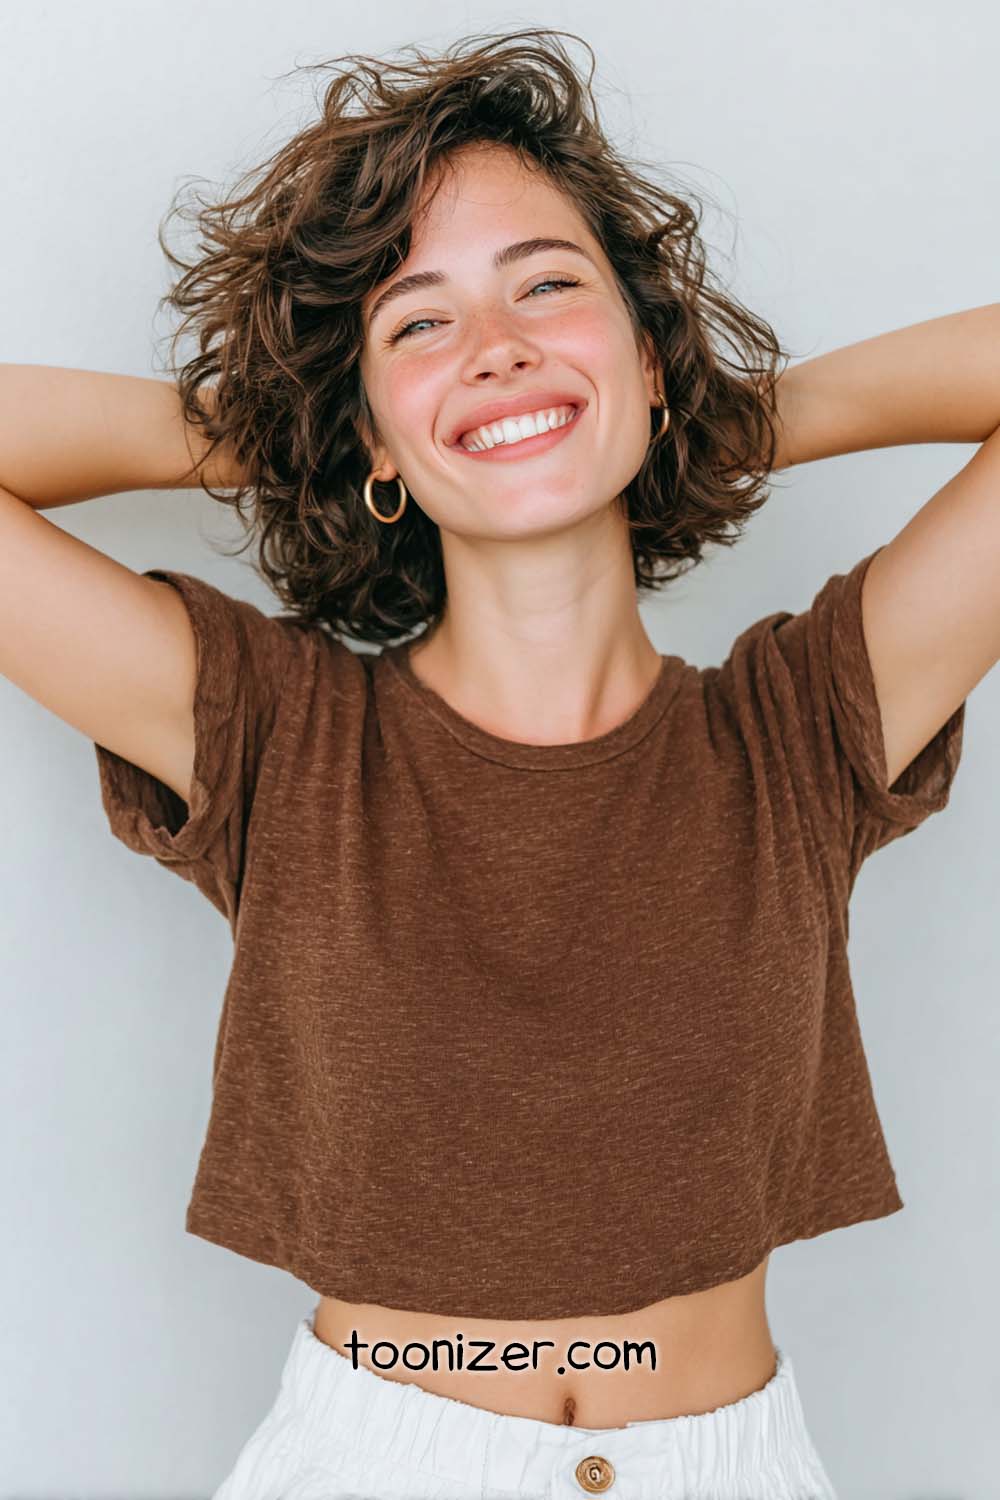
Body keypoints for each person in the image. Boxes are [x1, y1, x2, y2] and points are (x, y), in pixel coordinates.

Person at [2, 25, 993, 1500]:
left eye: (547, 287)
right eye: (418, 325)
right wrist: (306, 433)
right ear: (376, 442)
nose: (496, 345)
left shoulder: (799, 728)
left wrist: (709, 415)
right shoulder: (280, 734)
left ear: (646, 355)